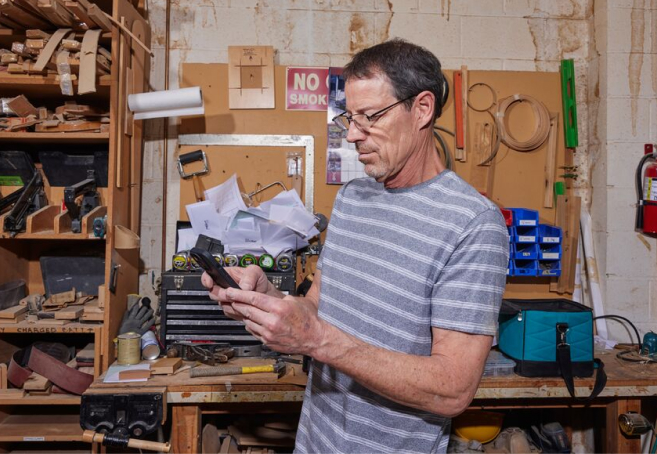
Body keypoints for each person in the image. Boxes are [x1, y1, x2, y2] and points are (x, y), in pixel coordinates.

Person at [202, 38, 509, 453]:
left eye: (369, 117)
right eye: (349, 117)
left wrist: (316, 340)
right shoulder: (352, 198)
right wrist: (270, 300)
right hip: (315, 441)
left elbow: (453, 390)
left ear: (422, 108)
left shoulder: (472, 223)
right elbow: (319, 307)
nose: (351, 135)